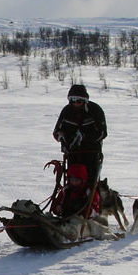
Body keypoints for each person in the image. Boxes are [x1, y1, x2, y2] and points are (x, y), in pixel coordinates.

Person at [52, 84, 107, 216]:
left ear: (85, 100)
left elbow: (103, 132)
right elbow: (56, 131)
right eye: (73, 100)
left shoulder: (95, 110)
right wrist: (62, 138)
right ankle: (68, 209)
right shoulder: (66, 111)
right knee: (73, 182)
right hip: (72, 154)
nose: (76, 103)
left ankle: (92, 212)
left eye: (79, 100)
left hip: (91, 154)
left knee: (90, 182)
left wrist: (84, 137)